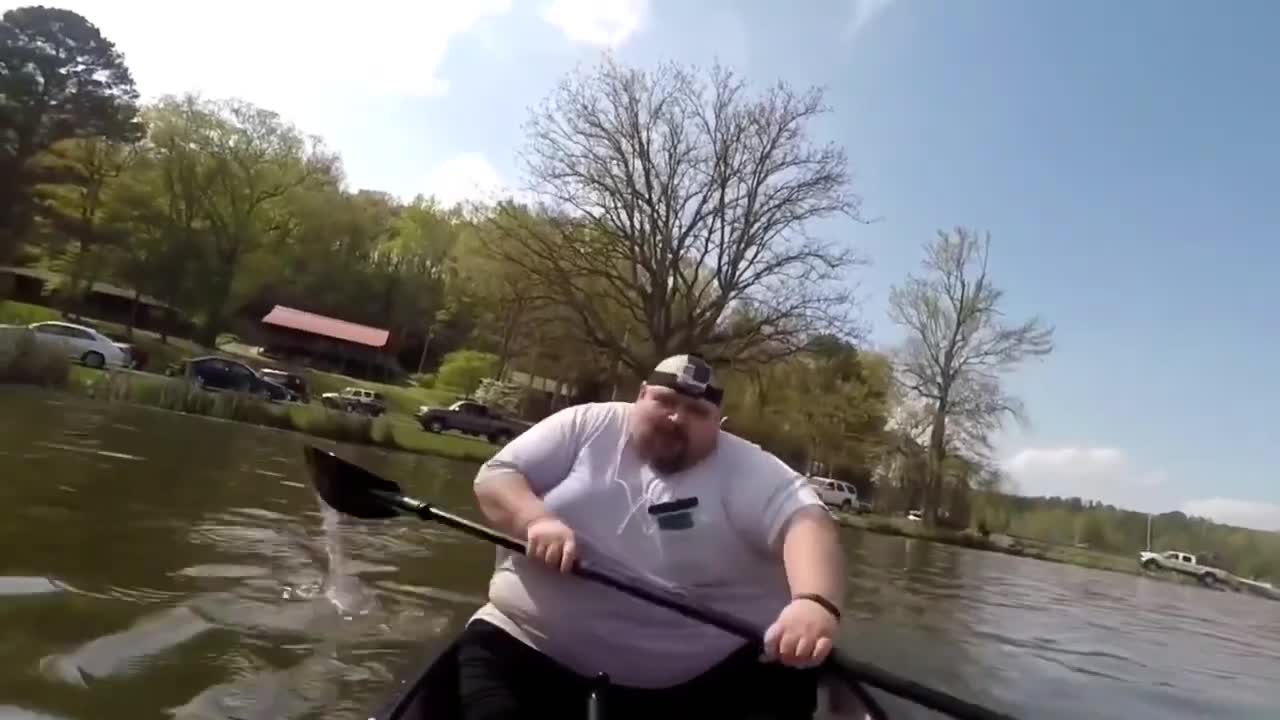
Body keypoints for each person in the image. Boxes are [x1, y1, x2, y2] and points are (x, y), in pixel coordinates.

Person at [455, 353, 847, 719]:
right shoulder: (588, 423)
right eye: (666, 401)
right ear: (641, 395)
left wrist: (813, 604)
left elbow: (807, 521)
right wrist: (535, 520)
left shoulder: (748, 467)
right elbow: (497, 475)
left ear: (719, 423)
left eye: (697, 411)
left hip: (677, 686)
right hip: (520, 643)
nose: (677, 417)